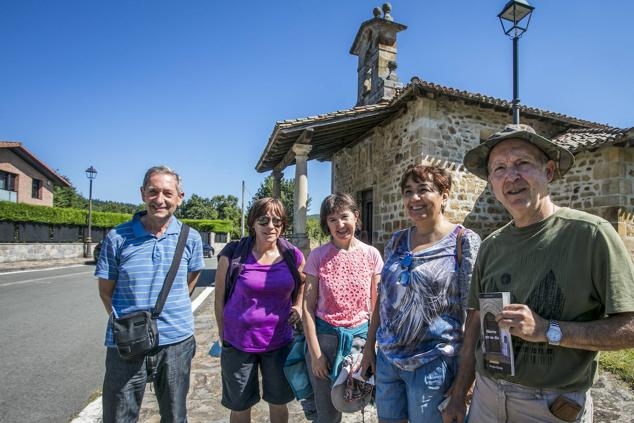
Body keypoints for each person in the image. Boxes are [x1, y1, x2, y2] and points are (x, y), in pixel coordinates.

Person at [443, 124, 634, 423]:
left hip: (550, 406)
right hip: (486, 398)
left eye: (522, 164)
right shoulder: (491, 245)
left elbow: (630, 327)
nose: (511, 176)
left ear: (548, 171)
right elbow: (476, 323)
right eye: (499, 169)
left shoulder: (591, 235)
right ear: (491, 183)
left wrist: (549, 330)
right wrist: (458, 395)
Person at [359, 165, 481, 423]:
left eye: (424, 190)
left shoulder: (463, 241)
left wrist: (464, 384)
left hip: (434, 367)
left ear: (444, 195)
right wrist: (370, 346)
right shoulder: (397, 240)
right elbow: (384, 298)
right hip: (388, 363)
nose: (414, 199)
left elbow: (475, 316)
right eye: (408, 192)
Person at [96, 165, 205, 423]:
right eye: (153, 191)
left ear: (180, 197)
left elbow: (190, 282)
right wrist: (130, 328)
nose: (160, 199)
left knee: (175, 416)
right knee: (118, 416)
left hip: (176, 342)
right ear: (142, 193)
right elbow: (105, 292)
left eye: (168, 193)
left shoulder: (191, 238)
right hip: (126, 344)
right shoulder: (117, 237)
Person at [214, 197, 305, 423]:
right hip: (238, 343)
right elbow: (219, 300)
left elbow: (303, 283)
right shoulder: (233, 255)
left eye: (277, 221)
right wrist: (223, 336)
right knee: (240, 407)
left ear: (283, 225)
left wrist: (298, 306)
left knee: (278, 403)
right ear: (253, 222)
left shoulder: (293, 256)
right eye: (264, 220)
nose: (270, 226)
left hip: (279, 343)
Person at [303, 192, 383, 423]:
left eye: (344, 216)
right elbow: (307, 307)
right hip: (325, 340)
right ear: (326, 224)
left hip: (359, 342)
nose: (340, 224)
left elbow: (377, 305)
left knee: (359, 403)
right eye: (332, 219)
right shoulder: (318, 256)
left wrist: (370, 347)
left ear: (356, 217)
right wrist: (316, 354)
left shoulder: (372, 255)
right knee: (327, 415)